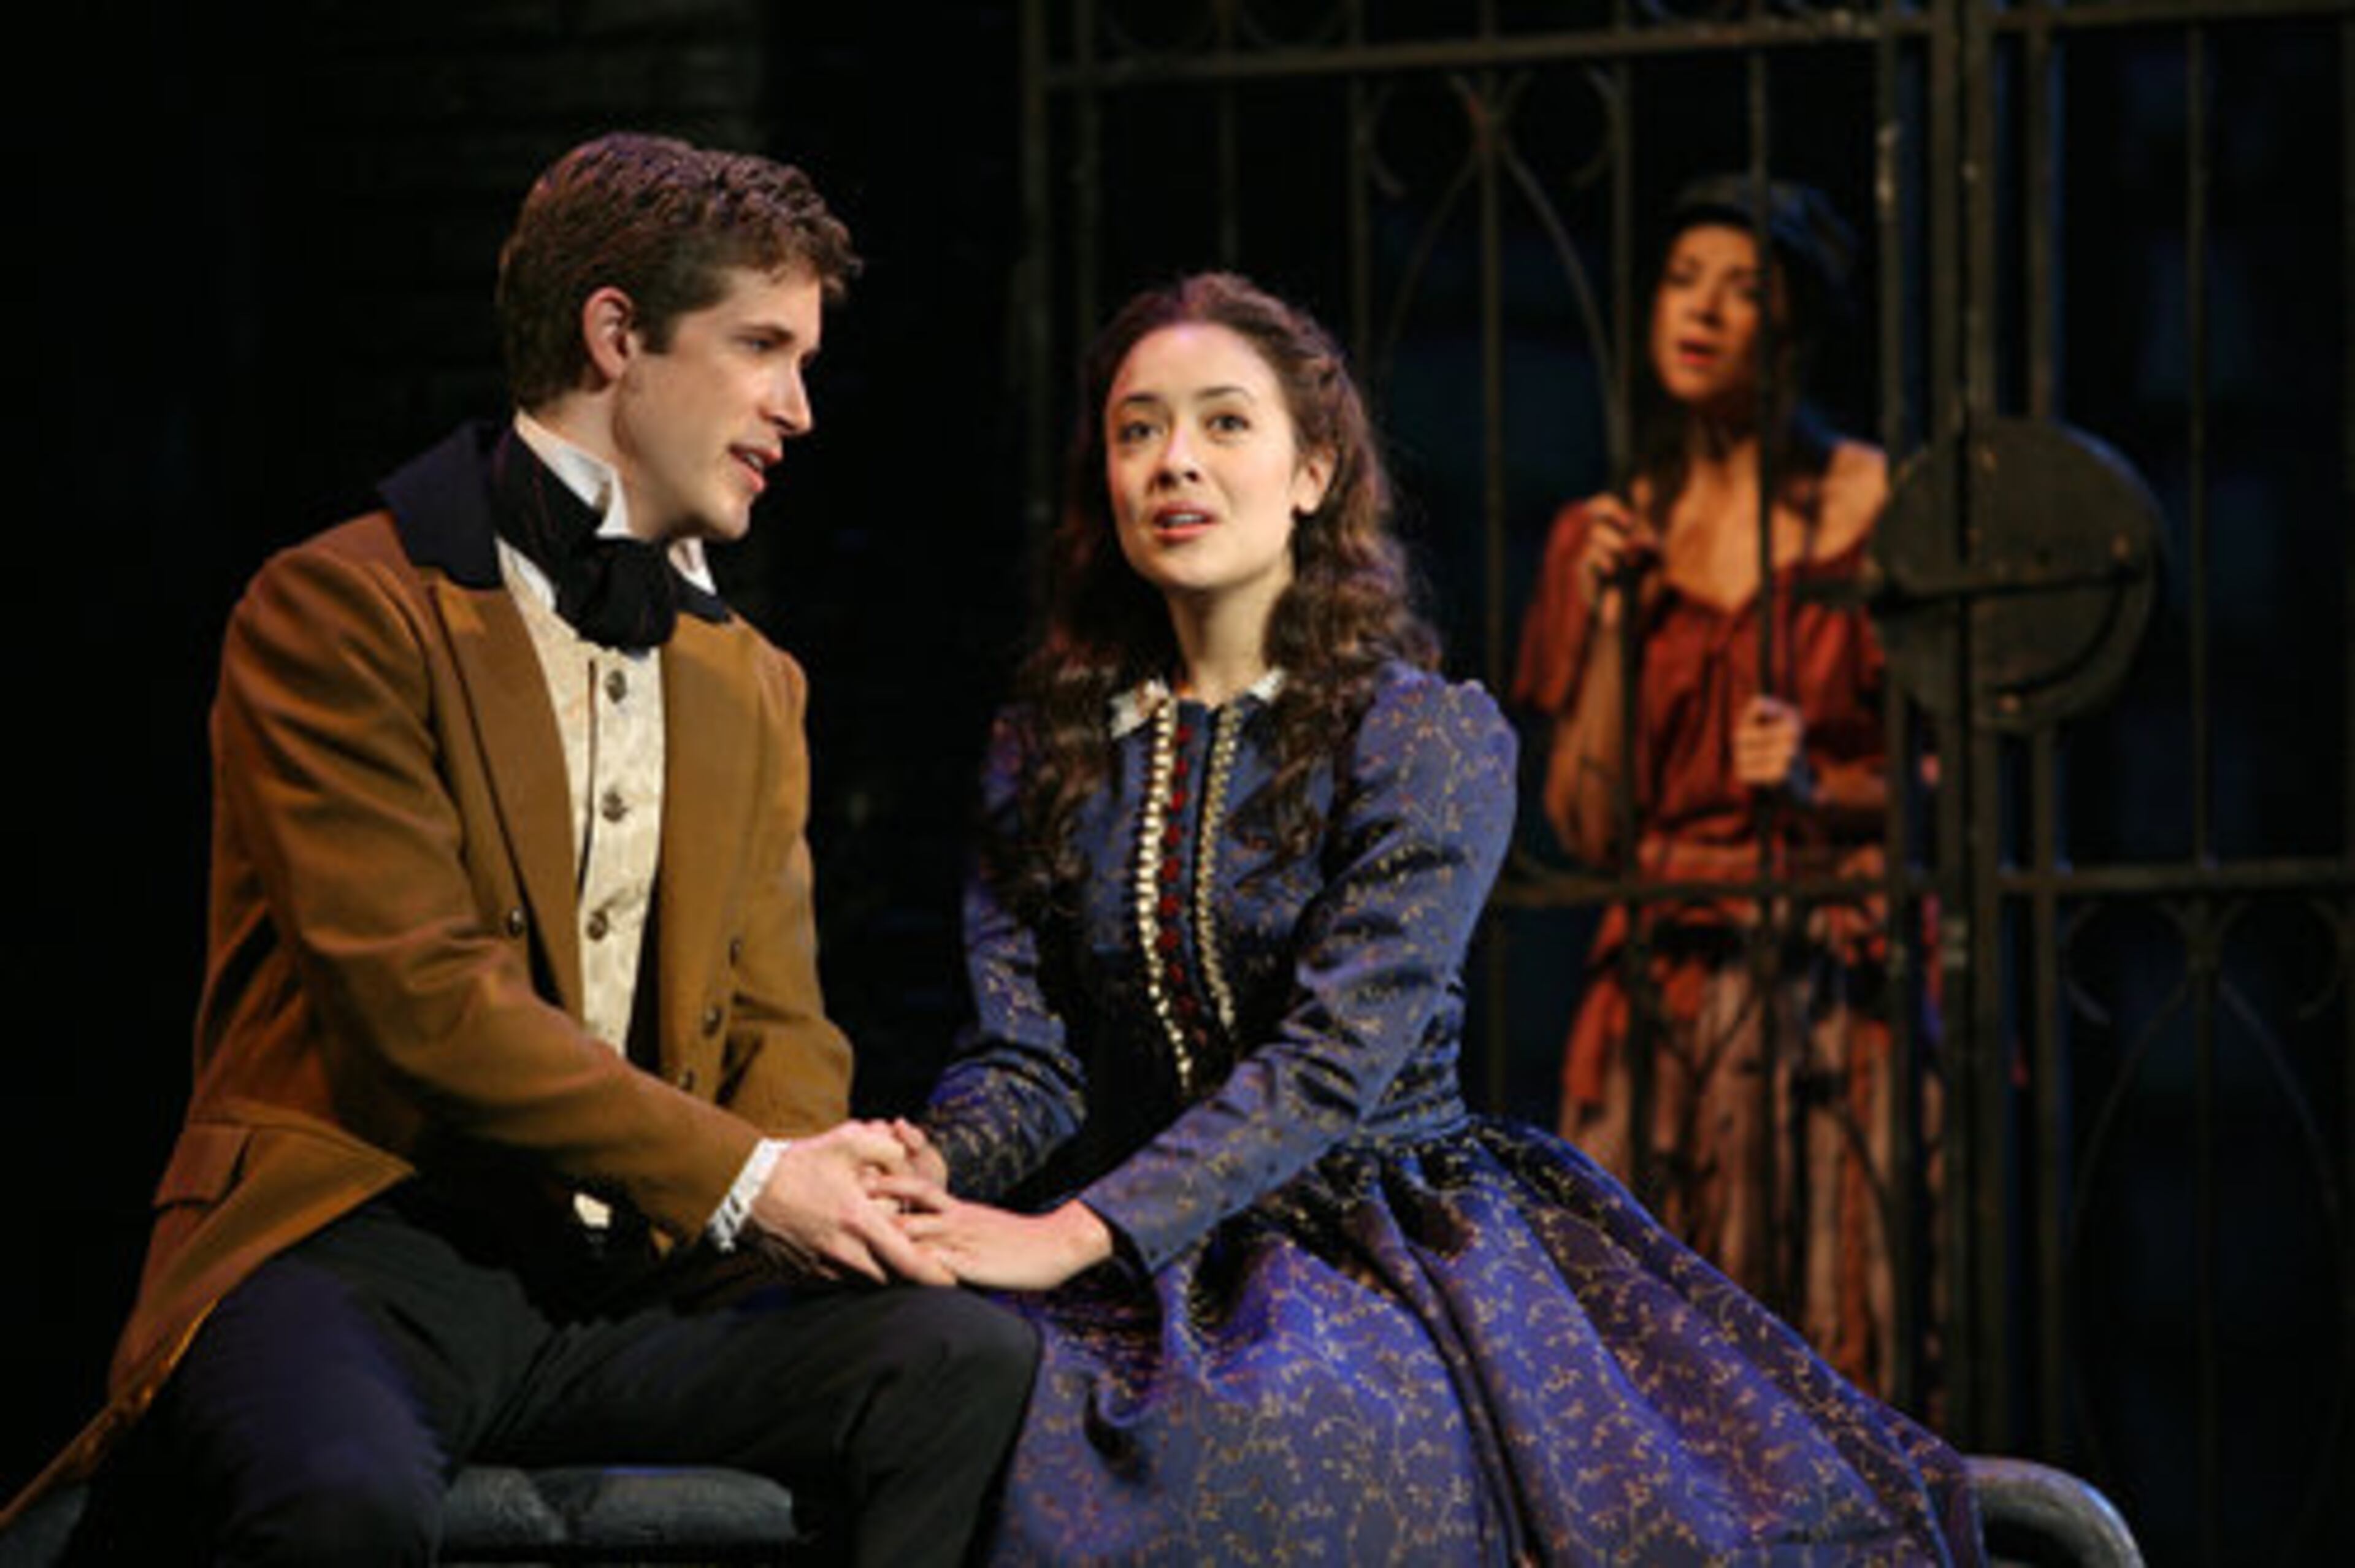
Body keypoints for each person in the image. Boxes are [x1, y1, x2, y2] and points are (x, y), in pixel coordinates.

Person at [6, 132, 1034, 1566]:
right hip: (361, 1248)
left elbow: (783, 1021)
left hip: (620, 1286)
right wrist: (750, 1173)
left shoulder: (755, 681)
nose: (799, 407)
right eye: (762, 349)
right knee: (341, 1501)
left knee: (960, 1363)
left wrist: (826, 1167)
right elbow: (421, 1000)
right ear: (617, 333)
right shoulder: (342, 610)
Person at [881, 272, 1980, 1562]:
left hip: (1376, 1243)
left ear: (1314, 471)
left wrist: (1073, 1232)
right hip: (1124, 1239)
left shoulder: (1421, 736)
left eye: (1225, 422)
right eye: (1137, 430)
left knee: (1283, 1428)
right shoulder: (1050, 749)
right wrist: (927, 1172)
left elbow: (1332, 1061)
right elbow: (1029, 1059)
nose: (1174, 461)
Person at [1512, 174, 1927, 1399]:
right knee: (1661, 1330)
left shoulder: (1879, 506)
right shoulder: (1610, 529)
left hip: (1837, 963)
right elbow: (1585, 825)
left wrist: (1822, 784)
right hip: (1669, 976)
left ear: (1796, 326)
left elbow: (1965, 781)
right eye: (1683, 282)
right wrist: (1606, 627)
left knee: (1845, 1309)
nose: (1702, 311)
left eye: (1744, 290)